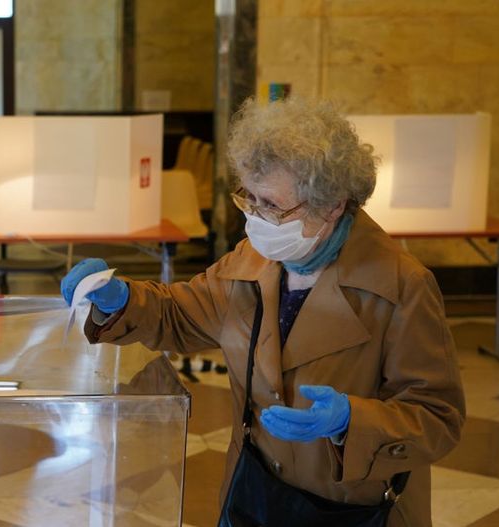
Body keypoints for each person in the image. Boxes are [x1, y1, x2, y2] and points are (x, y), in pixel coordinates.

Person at [61, 97, 465, 526]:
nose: (255, 218)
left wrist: (352, 422)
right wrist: (123, 299)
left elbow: (437, 416)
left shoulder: (401, 285)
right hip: (255, 491)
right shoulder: (252, 260)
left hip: (352, 506)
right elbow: (181, 314)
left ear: (332, 205)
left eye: (271, 205)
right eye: (249, 199)